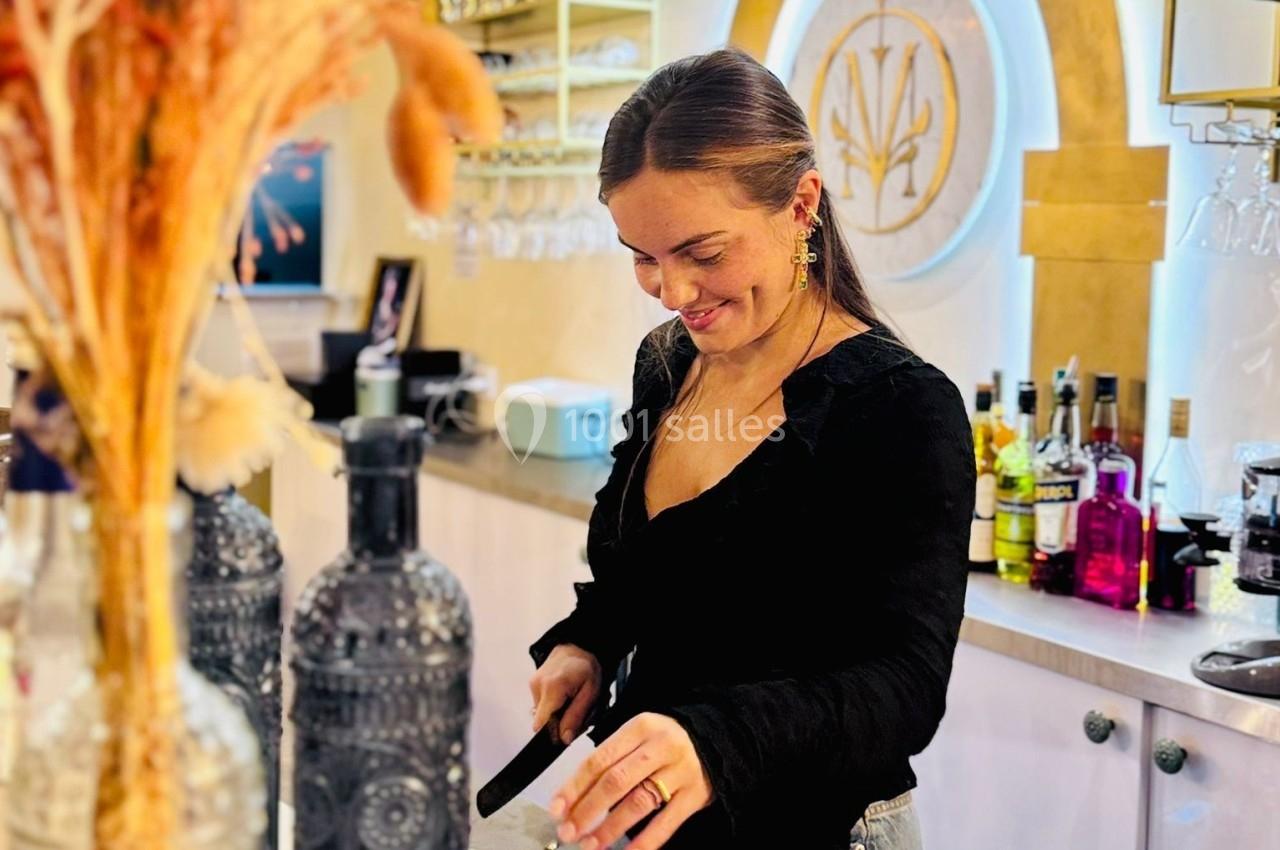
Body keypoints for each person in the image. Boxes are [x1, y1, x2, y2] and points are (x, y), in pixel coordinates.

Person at [526, 48, 975, 850]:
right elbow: (649, 557)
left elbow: (904, 688)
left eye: (702, 253)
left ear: (802, 205)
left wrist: (712, 743)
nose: (674, 291)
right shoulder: (667, 364)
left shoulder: (899, 406)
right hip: (667, 823)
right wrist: (588, 640)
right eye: (643, 257)